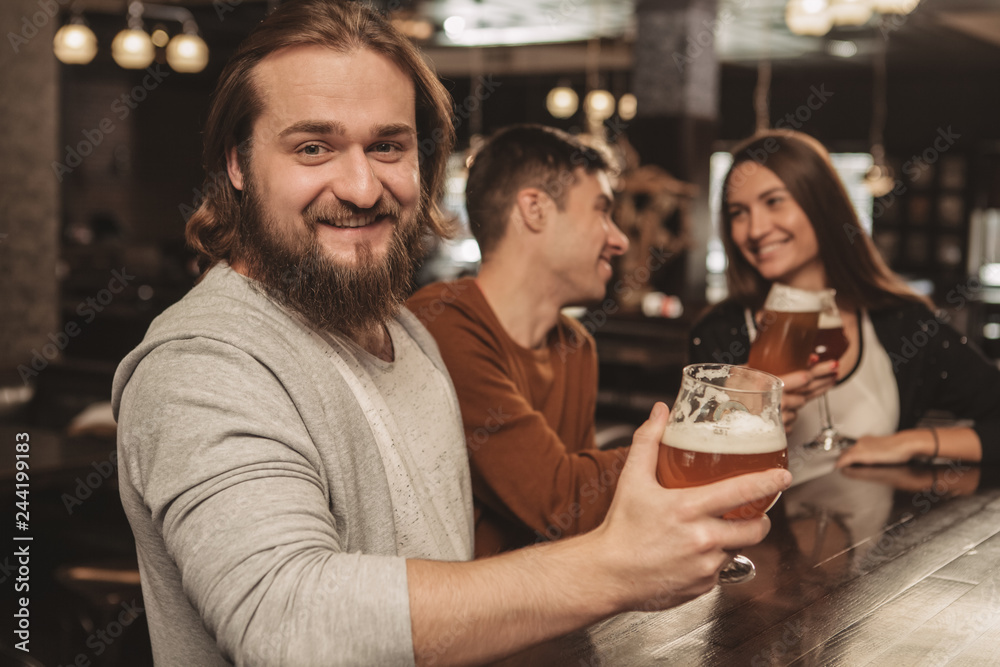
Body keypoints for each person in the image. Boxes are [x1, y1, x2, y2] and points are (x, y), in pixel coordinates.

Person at [112, 2, 791, 664]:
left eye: (387, 146)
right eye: (313, 146)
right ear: (237, 163)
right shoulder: (200, 363)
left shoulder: (409, 336)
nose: (360, 185)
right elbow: (287, 621)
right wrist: (611, 568)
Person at [688, 130, 1000, 471]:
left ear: (822, 205)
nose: (755, 229)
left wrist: (912, 442)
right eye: (738, 212)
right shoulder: (719, 332)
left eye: (774, 201)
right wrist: (737, 420)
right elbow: (693, 468)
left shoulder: (902, 322)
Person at [407, 125, 632, 557]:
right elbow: (561, 500)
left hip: (555, 606)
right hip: (463, 617)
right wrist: (694, 443)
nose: (619, 239)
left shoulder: (575, 345)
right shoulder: (441, 325)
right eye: (602, 211)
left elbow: (579, 523)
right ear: (535, 209)